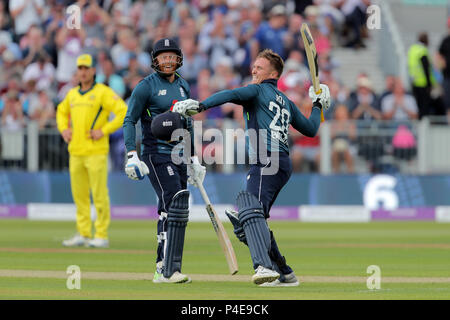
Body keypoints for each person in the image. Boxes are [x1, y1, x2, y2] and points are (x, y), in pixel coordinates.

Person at [172, 49, 331, 286]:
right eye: (254, 66)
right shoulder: (285, 100)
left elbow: (231, 93)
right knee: (251, 221)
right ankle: (285, 273)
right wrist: (318, 105)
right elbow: (310, 127)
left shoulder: (256, 90)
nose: (253, 70)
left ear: (273, 73)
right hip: (280, 162)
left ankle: (263, 267)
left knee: (249, 210)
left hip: (267, 160)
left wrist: (200, 105)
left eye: (259, 67)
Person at [122, 38, 206, 284]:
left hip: (179, 155)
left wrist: (193, 159)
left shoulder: (183, 86)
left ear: (178, 58)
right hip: (156, 154)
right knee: (173, 203)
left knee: (174, 212)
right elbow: (129, 120)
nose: (168, 60)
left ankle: (171, 267)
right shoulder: (145, 87)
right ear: (155, 60)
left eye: (171, 56)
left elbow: (188, 124)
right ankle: (164, 268)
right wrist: (131, 154)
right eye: (163, 56)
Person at [56, 54, 127, 248]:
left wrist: (103, 131)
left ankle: (101, 234)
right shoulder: (72, 94)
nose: (83, 72)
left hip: (96, 151)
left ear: (94, 70)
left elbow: (122, 111)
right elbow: (61, 112)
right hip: (76, 151)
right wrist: (64, 129)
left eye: (86, 68)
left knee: (99, 194)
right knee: (79, 195)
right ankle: (84, 233)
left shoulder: (103, 92)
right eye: (80, 68)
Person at [407, 32, 437, 119]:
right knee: (424, 106)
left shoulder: (412, 49)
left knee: (418, 105)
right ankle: (424, 125)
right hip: (422, 83)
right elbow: (426, 68)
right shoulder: (422, 50)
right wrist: (429, 84)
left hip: (414, 81)